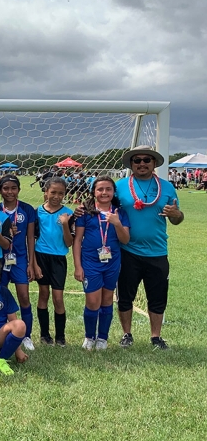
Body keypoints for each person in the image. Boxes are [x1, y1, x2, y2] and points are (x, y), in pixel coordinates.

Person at [115, 145, 184, 350]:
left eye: (147, 160)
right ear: (131, 164)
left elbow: (177, 219)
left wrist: (176, 215)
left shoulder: (167, 187)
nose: (142, 163)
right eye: (137, 160)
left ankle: (156, 337)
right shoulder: (119, 187)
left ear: (154, 163)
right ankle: (126, 334)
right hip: (127, 251)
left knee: (157, 296)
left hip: (158, 251)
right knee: (125, 295)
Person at [73, 176, 130, 350]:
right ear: (93, 192)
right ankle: (89, 336)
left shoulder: (120, 213)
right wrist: (78, 266)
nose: (104, 192)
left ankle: (102, 338)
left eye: (108, 189)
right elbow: (77, 241)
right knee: (92, 301)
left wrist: (117, 223)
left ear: (113, 192)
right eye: (100, 189)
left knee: (107, 300)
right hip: (90, 263)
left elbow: (125, 240)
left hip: (112, 263)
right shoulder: (86, 212)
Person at [0, 175, 37, 351]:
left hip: (19, 259)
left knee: (24, 297)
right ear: (0, 191)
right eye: (5, 188)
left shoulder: (27, 209)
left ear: (19, 190)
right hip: (0, 260)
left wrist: (31, 263)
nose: (9, 192)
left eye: (13, 188)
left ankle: (26, 335)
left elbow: (30, 238)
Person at [33, 177, 74, 346]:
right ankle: (44, 335)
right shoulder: (37, 212)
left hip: (58, 259)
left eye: (61, 193)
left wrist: (65, 224)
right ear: (46, 192)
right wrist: (34, 263)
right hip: (41, 256)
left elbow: (69, 242)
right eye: (53, 192)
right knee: (43, 294)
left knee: (58, 298)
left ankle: (60, 336)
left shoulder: (68, 213)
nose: (56, 196)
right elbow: (32, 238)